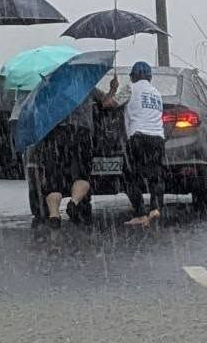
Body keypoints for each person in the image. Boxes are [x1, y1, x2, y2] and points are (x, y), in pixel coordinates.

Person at [36, 85, 113, 228]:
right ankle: (74, 203)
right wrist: (113, 89)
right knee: (82, 175)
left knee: (54, 178)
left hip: (56, 133)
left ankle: (54, 216)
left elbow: (41, 110)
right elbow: (108, 102)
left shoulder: (53, 85)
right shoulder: (86, 84)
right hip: (82, 133)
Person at [104, 61, 165, 226]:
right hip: (158, 138)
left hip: (138, 137)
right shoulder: (156, 93)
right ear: (150, 77)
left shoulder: (130, 88)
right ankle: (155, 208)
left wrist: (113, 88)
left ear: (132, 76)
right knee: (155, 175)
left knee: (129, 176)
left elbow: (108, 104)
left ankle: (140, 213)